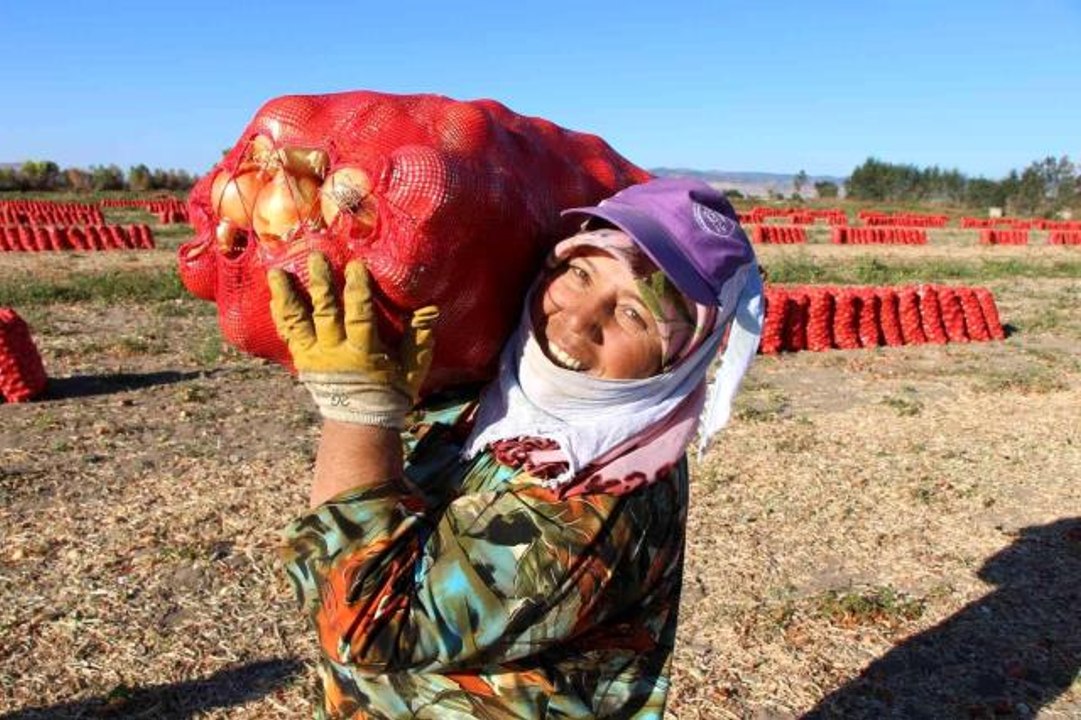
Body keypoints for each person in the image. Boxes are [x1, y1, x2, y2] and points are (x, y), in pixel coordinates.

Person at [268, 178, 764, 719]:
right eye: (581, 273)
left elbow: (368, 622)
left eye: (633, 315)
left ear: (679, 361)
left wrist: (357, 410)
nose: (578, 320)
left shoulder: (598, 498)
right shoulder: (496, 388)